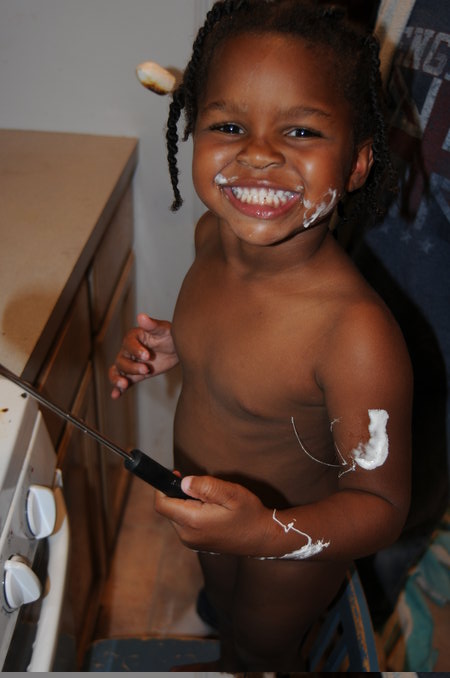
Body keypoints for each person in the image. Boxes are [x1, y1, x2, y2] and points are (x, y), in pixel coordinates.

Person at [109, 0, 413, 670]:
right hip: (212, 502)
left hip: (291, 535)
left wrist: (265, 531)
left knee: (264, 646)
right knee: (225, 614)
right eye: (229, 125)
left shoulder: (353, 332)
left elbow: (382, 506)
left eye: (301, 131)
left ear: (357, 165)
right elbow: (238, 340)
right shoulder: (210, 236)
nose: (257, 153)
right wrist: (178, 343)